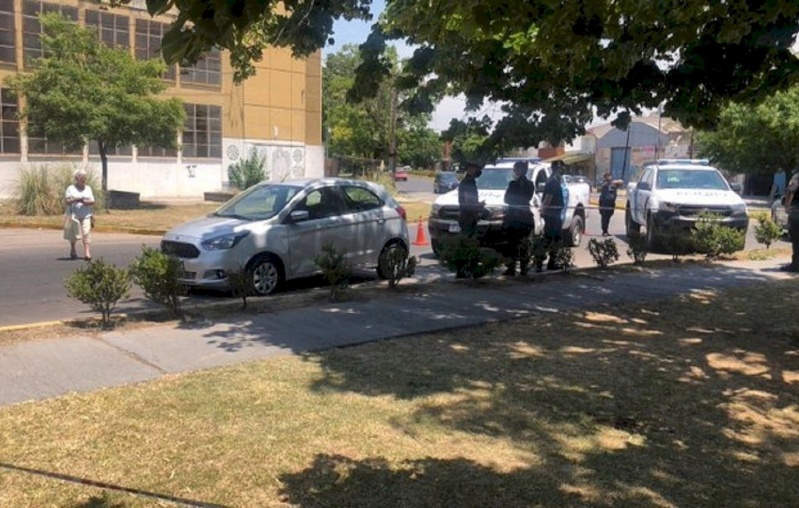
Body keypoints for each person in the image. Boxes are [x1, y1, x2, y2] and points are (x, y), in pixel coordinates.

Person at [502, 161, 535, 276]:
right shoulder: (530, 184)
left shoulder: (513, 184)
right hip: (525, 217)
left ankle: (511, 268)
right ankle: (523, 267)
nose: (514, 172)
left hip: (514, 218)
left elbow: (506, 199)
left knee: (512, 244)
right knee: (523, 243)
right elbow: (528, 198)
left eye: (515, 169)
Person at [537, 160, 569, 271]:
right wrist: (543, 210)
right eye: (563, 167)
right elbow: (548, 199)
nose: (564, 169)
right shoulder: (552, 182)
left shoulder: (555, 181)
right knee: (550, 239)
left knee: (554, 239)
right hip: (552, 216)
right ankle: (540, 262)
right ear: (558, 168)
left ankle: (550, 262)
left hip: (555, 214)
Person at [64, 169, 95, 261]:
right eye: (81, 177)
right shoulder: (70, 188)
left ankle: (87, 252)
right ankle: (73, 249)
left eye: (84, 177)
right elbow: (67, 201)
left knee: (86, 232)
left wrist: (84, 201)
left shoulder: (88, 188)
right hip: (74, 214)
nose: (83, 179)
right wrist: (74, 199)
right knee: (74, 233)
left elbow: (92, 201)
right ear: (77, 178)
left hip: (86, 214)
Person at [457, 161, 485, 238]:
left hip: (469, 216)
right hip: (467, 217)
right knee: (468, 238)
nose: (478, 171)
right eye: (476, 168)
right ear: (470, 169)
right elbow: (468, 201)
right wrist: (479, 205)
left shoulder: (471, 181)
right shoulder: (468, 182)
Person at [598, 172, 624, 236]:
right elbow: (599, 189)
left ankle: (606, 230)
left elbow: (621, 182)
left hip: (611, 203)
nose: (608, 177)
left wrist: (614, 182)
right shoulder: (603, 183)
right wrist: (607, 183)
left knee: (609, 216)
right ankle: (604, 231)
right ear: (605, 177)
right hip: (604, 203)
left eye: (609, 176)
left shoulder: (614, 183)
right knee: (604, 217)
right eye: (607, 176)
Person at [782, 171, 799, 272]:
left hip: (797, 213)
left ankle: (796, 265)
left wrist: (787, 207)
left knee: (796, 239)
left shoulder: (797, 177)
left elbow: (791, 191)